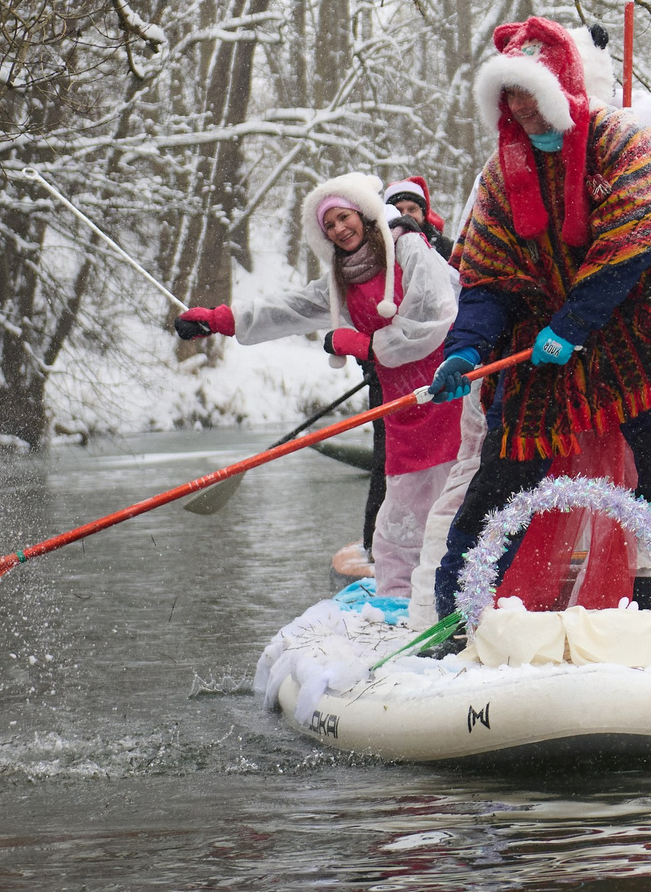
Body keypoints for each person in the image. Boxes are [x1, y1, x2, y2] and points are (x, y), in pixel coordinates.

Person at [426, 16, 651, 626]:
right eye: (510, 98)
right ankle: (457, 618)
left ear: (560, 88)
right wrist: (466, 349)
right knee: (498, 484)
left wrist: (575, 325)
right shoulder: (503, 175)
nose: (521, 110)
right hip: (538, 355)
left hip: (632, 338)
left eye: (530, 93)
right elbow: (485, 276)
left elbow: (634, 242)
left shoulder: (624, 142)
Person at [173, 174, 462, 597]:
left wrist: (366, 344)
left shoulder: (408, 247)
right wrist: (221, 320)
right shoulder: (340, 278)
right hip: (400, 404)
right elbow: (291, 308)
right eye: (329, 225)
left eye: (344, 218)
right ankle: (398, 598)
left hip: (446, 390)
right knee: (399, 511)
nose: (339, 229)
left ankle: (463, 586)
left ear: (363, 215)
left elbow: (436, 316)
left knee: (452, 497)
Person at [385, 177, 450, 248]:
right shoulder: (379, 247)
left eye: (412, 209)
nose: (405, 215)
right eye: (398, 210)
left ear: (423, 215)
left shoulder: (447, 248)